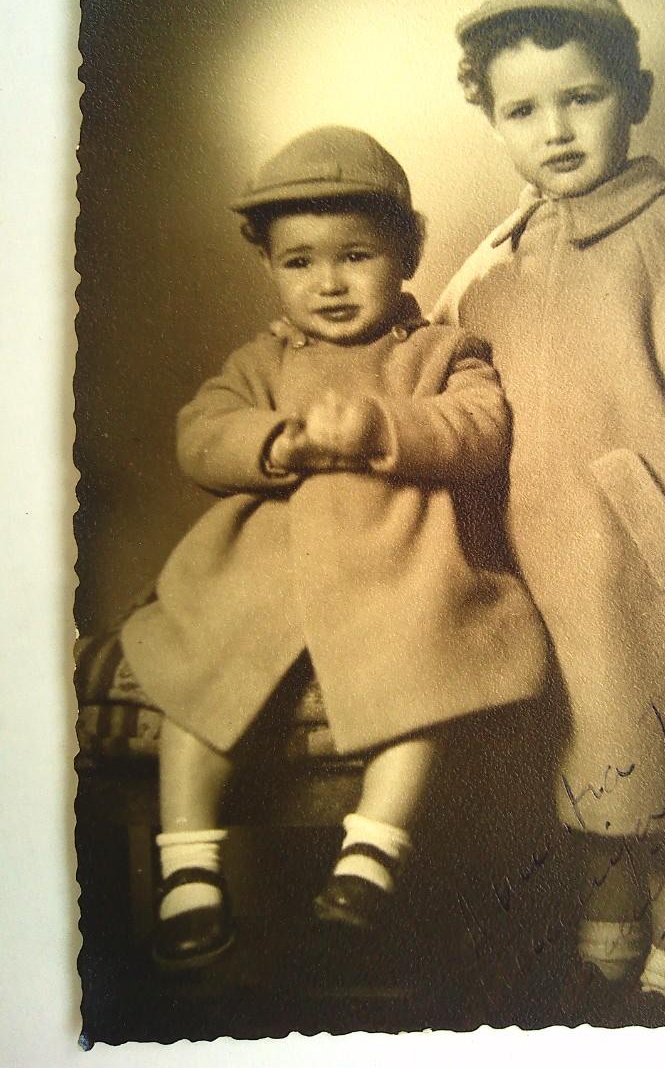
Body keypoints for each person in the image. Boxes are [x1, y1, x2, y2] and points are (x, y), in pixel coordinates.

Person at [433, 0, 665, 1024]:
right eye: (523, 109)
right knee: (585, 751)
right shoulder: (498, 259)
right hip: (540, 561)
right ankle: (605, 939)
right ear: (494, 119)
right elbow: (440, 363)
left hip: (652, 561)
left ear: (633, 96)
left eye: (581, 97)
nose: (555, 130)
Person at [121, 125, 548, 970]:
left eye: (356, 255)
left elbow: (479, 430)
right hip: (265, 573)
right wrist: (275, 442)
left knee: (427, 675)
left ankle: (371, 849)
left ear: (408, 252)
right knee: (195, 676)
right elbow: (200, 435)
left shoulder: (439, 351)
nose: (329, 283)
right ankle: (188, 863)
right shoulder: (262, 361)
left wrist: (385, 425)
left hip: (399, 566)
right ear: (270, 268)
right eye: (299, 262)